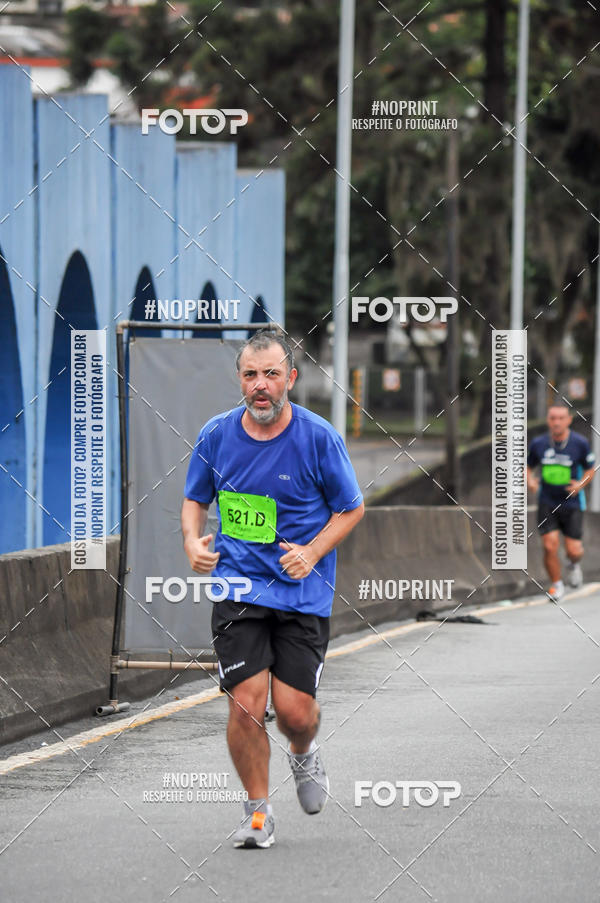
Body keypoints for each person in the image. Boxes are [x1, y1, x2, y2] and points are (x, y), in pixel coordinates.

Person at [181, 327, 364, 849]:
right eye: (250, 375)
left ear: (291, 378)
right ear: (240, 380)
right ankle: (257, 813)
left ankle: (304, 752)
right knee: (245, 701)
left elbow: (351, 509)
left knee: (293, 713)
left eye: (271, 374)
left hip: (302, 595)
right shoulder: (216, 435)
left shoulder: (317, 437)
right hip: (238, 587)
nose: (261, 385)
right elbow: (195, 498)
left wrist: (311, 552)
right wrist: (192, 541)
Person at [526, 404, 595, 601]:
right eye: (552, 418)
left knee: (574, 550)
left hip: (572, 503)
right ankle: (556, 585)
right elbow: (528, 467)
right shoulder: (539, 443)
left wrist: (580, 485)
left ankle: (573, 565)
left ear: (568, 420)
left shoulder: (579, 443)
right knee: (549, 546)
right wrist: (530, 481)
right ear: (548, 420)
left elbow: (591, 469)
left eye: (560, 418)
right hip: (547, 502)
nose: (556, 422)